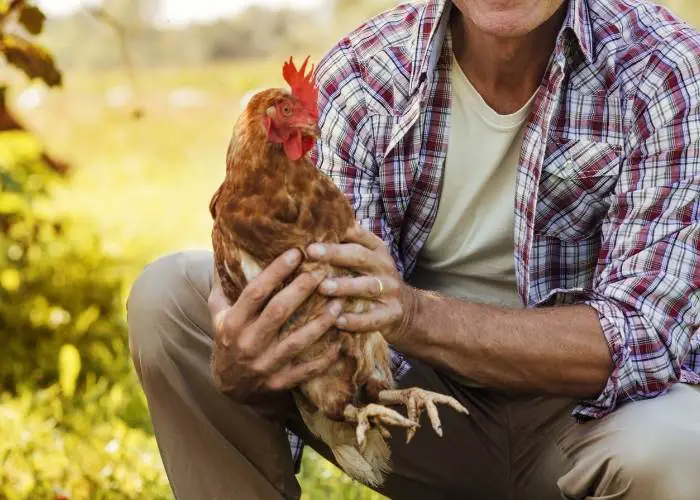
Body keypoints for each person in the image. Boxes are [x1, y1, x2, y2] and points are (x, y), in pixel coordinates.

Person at [127, 0, 700, 498]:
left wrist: (411, 312)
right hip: (416, 410)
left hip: (587, 421)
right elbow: (337, 316)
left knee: (677, 449)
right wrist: (250, 361)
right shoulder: (364, 73)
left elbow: (642, 333)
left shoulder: (664, 70)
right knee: (171, 298)